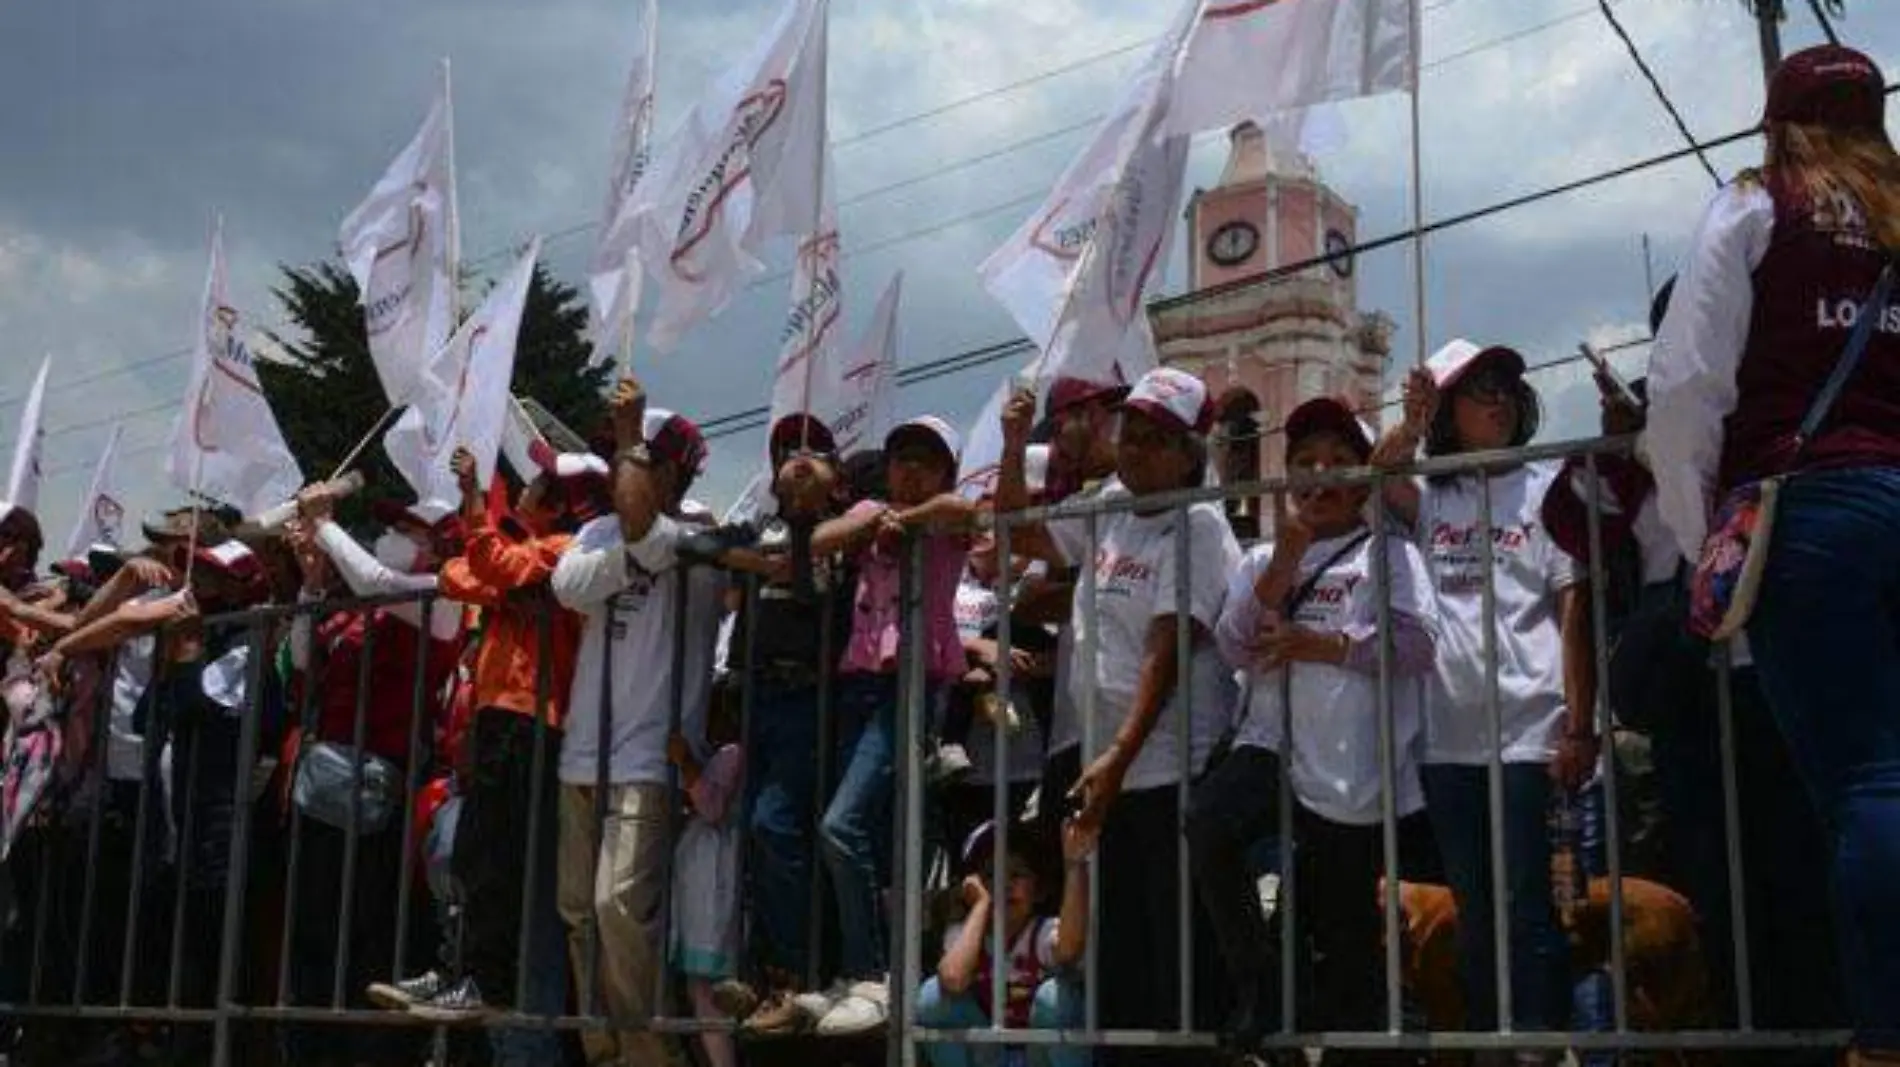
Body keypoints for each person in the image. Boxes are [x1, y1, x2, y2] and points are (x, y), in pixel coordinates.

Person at [1645, 44, 1900, 1063]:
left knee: (1871, 782)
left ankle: (1883, 1035)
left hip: (1812, 509)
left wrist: (1697, 526)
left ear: (1777, 121)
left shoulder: (1757, 203)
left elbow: (1685, 381)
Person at [997, 366, 1240, 1066]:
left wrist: (1120, 754)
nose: (1133, 449)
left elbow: (1165, 652)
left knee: (1176, 961)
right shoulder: (1107, 500)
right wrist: (1015, 444)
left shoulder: (1199, 524)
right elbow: (1018, 532)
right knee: (1120, 958)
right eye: (1128, 432)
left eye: (1154, 439)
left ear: (1189, 451)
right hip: (1107, 770)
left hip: (1167, 768)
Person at [1186, 397, 1439, 1055]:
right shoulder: (1264, 555)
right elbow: (1238, 645)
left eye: (1338, 461)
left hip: (1349, 766)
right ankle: (1261, 982)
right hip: (1268, 742)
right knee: (1209, 820)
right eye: (1305, 461)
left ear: (1362, 474)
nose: (1320, 475)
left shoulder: (1387, 553)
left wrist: (1322, 644)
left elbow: (1417, 646)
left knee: (1345, 930)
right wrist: (1283, 562)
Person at [1371, 340, 1596, 1043]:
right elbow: (1380, 475)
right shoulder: (1435, 492)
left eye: (1505, 386)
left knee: (1535, 906)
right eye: (1477, 390)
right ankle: (1486, 1043)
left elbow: (1574, 609)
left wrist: (1580, 723)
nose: (1496, 398)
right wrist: (1408, 424)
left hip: (1533, 731)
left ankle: (1536, 1040)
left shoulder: (1548, 484)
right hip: (1448, 740)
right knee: (1477, 907)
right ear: (1448, 411)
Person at [398, 445, 597, 1060]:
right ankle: (467, 971)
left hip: (531, 718)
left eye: (538, 489)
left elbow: (491, 565)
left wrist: (477, 503)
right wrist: (503, 577)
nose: (529, 495)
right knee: (476, 852)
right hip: (498, 718)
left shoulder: (569, 550)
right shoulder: (532, 552)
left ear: (561, 505)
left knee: (502, 861)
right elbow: (460, 573)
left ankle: (490, 980)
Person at [551, 377, 721, 1067]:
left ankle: (650, 1054)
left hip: (651, 751)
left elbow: (653, 543)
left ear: (675, 469)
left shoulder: (702, 530)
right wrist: (628, 544)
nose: (627, 471)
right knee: (578, 914)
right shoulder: (594, 530)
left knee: (620, 904)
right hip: (582, 751)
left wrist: (629, 451)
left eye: (644, 459)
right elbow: (568, 586)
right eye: (622, 460)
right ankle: (606, 1051)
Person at [798, 414, 981, 1035]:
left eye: (925, 460)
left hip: (910, 682)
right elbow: (820, 537)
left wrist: (914, 516)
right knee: (867, 834)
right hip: (861, 680)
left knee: (840, 825)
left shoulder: (943, 521)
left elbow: (964, 509)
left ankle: (876, 974)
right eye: (902, 456)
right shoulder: (876, 510)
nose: (910, 468)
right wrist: (875, 520)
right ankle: (862, 974)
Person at [281, 491, 462, 1067]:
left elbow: (377, 575)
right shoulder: (361, 606)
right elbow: (305, 660)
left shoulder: (441, 599)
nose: (396, 535)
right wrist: (311, 583)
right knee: (314, 926)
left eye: (412, 529)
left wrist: (326, 527)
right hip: (326, 785)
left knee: (369, 929)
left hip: (384, 785)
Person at [713, 414, 859, 1035]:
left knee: (780, 825)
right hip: (758, 694)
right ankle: (764, 967)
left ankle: (798, 973)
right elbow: (717, 552)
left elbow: (805, 589)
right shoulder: (759, 527)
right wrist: (757, 555)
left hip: (810, 697)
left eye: (812, 452)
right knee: (754, 831)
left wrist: (792, 540)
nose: (797, 461)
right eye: (785, 453)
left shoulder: (837, 535)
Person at [916, 817, 1095, 1067]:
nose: (1004, 884)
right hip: (990, 1056)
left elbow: (1068, 951)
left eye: (1017, 874)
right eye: (991, 875)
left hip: (1038, 1056)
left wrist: (1075, 866)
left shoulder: (1042, 931)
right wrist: (981, 905)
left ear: (1040, 888)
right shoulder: (965, 933)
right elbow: (953, 979)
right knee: (931, 996)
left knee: (1056, 996)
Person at [668, 691, 746, 1067]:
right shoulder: (722, 755)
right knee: (698, 989)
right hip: (700, 875)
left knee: (708, 989)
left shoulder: (733, 754)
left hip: (713, 879)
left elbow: (711, 806)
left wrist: (685, 764)